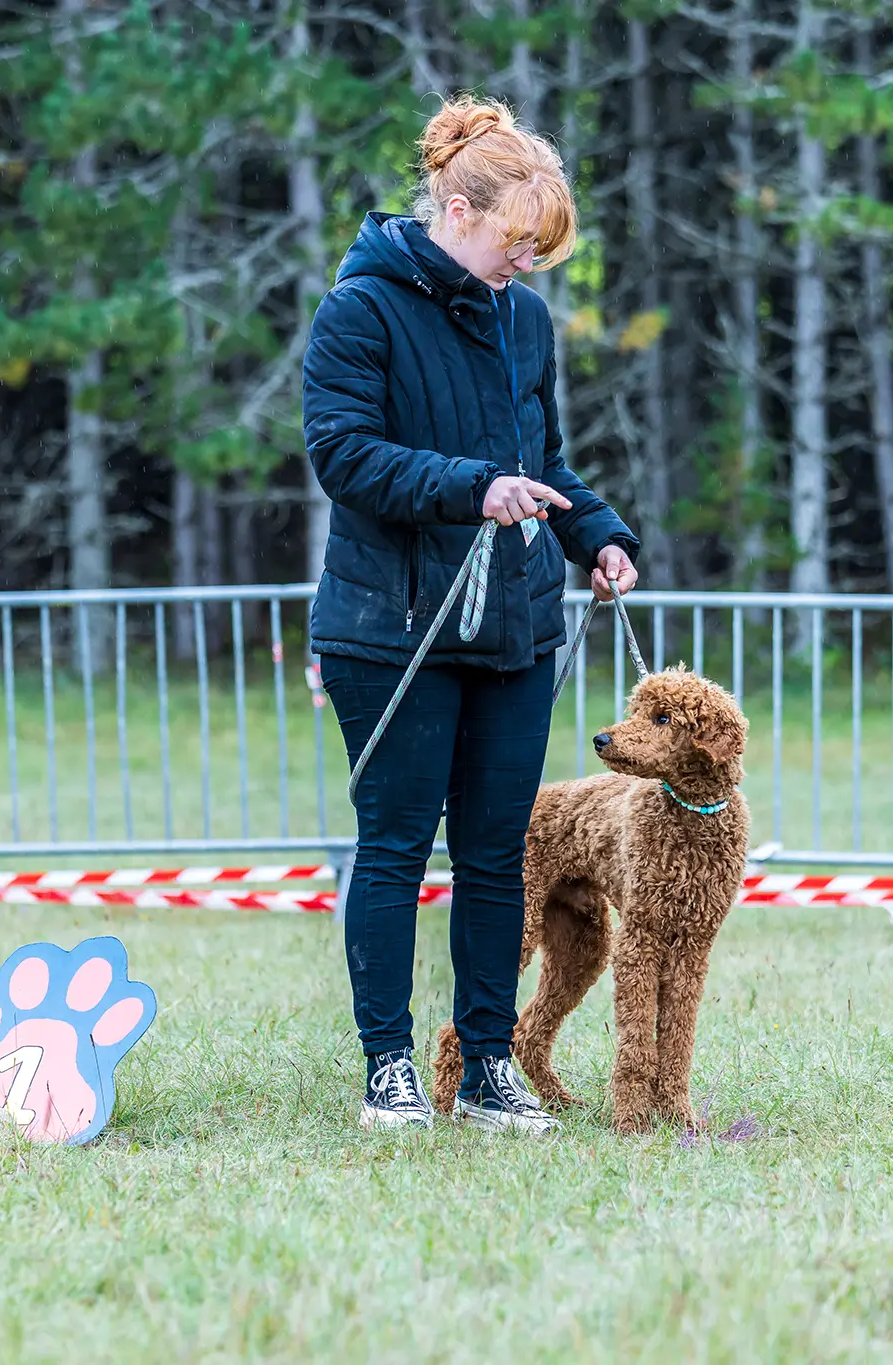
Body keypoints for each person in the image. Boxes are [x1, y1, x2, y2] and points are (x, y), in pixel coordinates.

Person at [302, 95, 640, 1134]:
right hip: (389, 629)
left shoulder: (520, 318)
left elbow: (539, 461)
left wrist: (598, 533)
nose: (523, 267)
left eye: (538, 253)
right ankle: (385, 1068)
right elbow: (342, 455)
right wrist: (467, 488)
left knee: (498, 854)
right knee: (397, 846)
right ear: (456, 209)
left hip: (511, 630)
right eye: (513, 244)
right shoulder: (359, 309)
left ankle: (487, 1063)